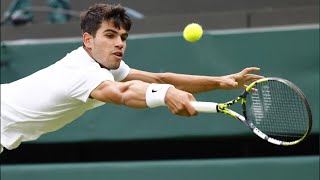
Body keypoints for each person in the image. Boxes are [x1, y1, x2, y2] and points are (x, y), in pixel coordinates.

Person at [0, 3, 264, 153]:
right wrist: (166, 95)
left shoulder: (104, 65)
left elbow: (160, 78)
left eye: (123, 37)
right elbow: (123, 94)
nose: (119, 44)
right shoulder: (82, 73)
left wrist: (219, 81)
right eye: (110, 35)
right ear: (88, 40)